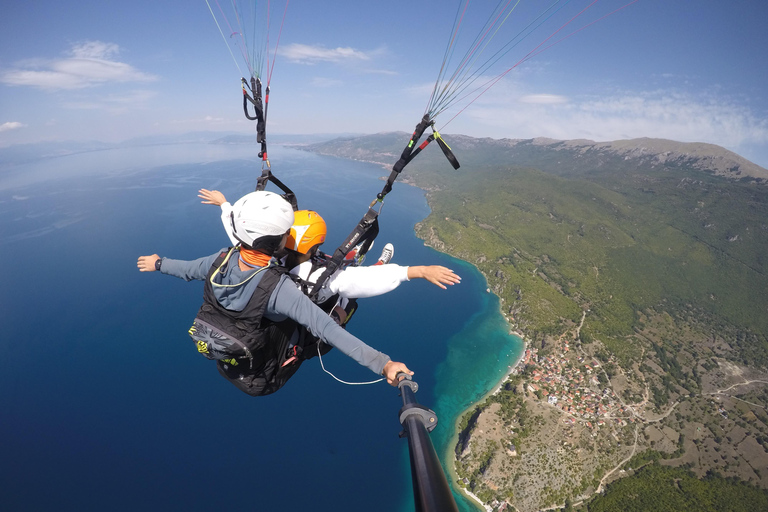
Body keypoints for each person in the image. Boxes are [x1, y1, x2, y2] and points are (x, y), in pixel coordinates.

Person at [137, 190, 412, 396]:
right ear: (278, 241)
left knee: (326, 295)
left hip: (234, 361)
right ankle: (375, 270)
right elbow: (327, 329)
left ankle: (367, 270)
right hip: (274, 366)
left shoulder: (219, 260)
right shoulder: (279, 290)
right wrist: (382, 364)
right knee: (342, 303)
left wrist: (158, 263)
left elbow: (186, 269)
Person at [198, 188, 461, 313]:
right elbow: (368, 282)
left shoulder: (260, 258)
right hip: (326, 306)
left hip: (282, 308)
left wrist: (225, 205)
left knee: (339, 265)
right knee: (349, 276)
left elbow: (240, 232)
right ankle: (375, 260)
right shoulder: (326, 280)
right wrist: (416, 271)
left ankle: (355, 256)